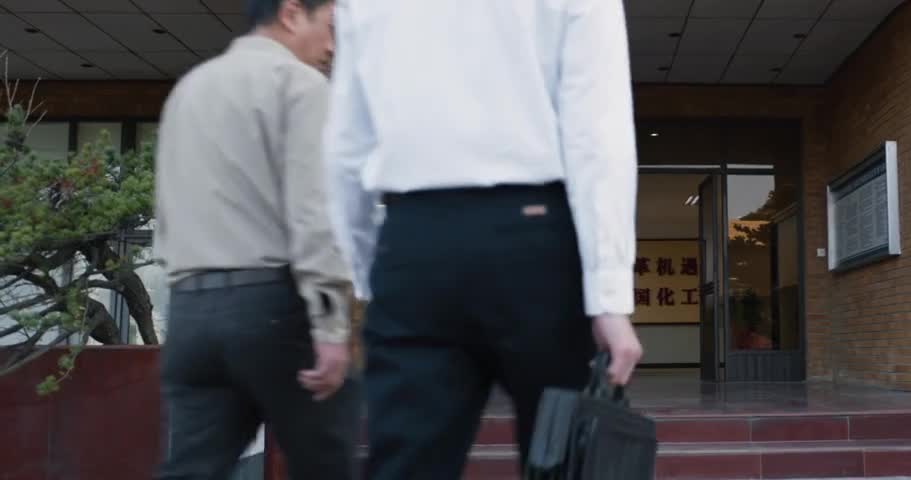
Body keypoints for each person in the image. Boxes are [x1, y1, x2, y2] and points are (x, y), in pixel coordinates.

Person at [324, 0, 644, 477]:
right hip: (536, 238)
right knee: (564, 458)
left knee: (406, 463)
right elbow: (596, 132)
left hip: (414, 237)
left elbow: (346, 145)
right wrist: (609, 297)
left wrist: (371, 274)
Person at [151, 0, 358, 478]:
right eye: (330, 27)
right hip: (273, 305)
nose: (333, 46)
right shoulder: (301, 84)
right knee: (326, 463)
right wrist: (331, 328)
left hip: (190, 313)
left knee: (191, 469)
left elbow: (166, 208)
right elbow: (314, 211)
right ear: (291, 13)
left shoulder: (189, 88)